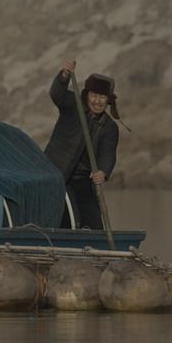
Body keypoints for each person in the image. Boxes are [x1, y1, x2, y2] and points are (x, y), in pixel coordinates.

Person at [43, 60, 121, 229]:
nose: (97, 101)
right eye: (94, 95)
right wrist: (64, 75)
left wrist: (103, 172)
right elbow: (57, 94)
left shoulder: (110, 127)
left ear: (108, 100)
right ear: (87, 95)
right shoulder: (73, 104)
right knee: (70, 219)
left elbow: (108, 154)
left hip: (84, 181)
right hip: (57, 175)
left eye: (102, 97)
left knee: (95, 225)